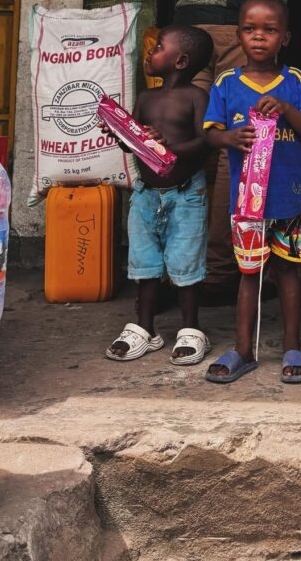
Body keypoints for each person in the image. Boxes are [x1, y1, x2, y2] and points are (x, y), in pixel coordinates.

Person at [173, 0, 301, 300]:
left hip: (191, 24)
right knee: (236, 147)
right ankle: (222, 268)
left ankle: (182, 266)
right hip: (230, 24)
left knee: (196, 146)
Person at [202, 0, 301, 384]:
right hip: (247, 204)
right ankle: (243, 349)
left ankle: (292, 346)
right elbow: (211, 136)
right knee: (248, 273)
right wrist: (230, 137)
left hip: (287, 199)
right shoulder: (226, 84)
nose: (259, 37)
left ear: (284, 37)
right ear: (238, 36)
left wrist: (286, 109)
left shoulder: (297, 82)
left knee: (288, 273)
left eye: (269, 30)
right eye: (251, 29)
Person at [105, 25, 214, 366]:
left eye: (159, 47)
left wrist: (170, 148)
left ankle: (191, 329)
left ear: (180, 61)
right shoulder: (145, 98)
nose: (151, 52)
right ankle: (144, 328)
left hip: (185, 195)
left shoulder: (197, 97)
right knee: (144, 262)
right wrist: (123, 132)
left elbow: (205, 143)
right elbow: (133, 144)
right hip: (146, 195)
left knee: (185, 263)